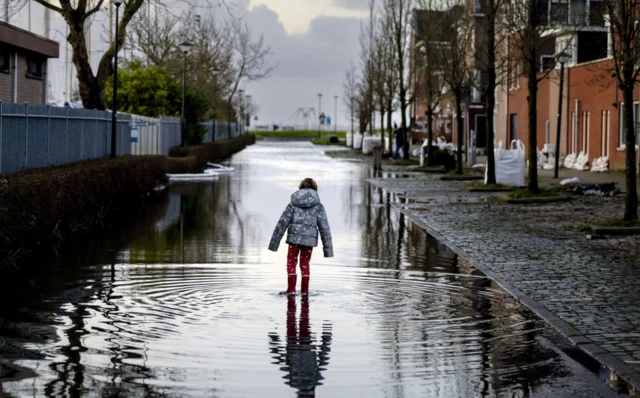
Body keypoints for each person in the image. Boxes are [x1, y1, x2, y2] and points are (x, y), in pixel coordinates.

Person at [269, 178, 333, 295]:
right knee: (305, 264)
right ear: (315, 190)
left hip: (294, 240)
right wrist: (328, 251)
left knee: (291, 263)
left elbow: (282, 224)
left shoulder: (292, 204)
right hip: (309, 242)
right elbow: (325, 228)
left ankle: (291, 290)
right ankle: (304, 292)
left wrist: (274, 244)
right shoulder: (318, 206)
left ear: (300, 188)